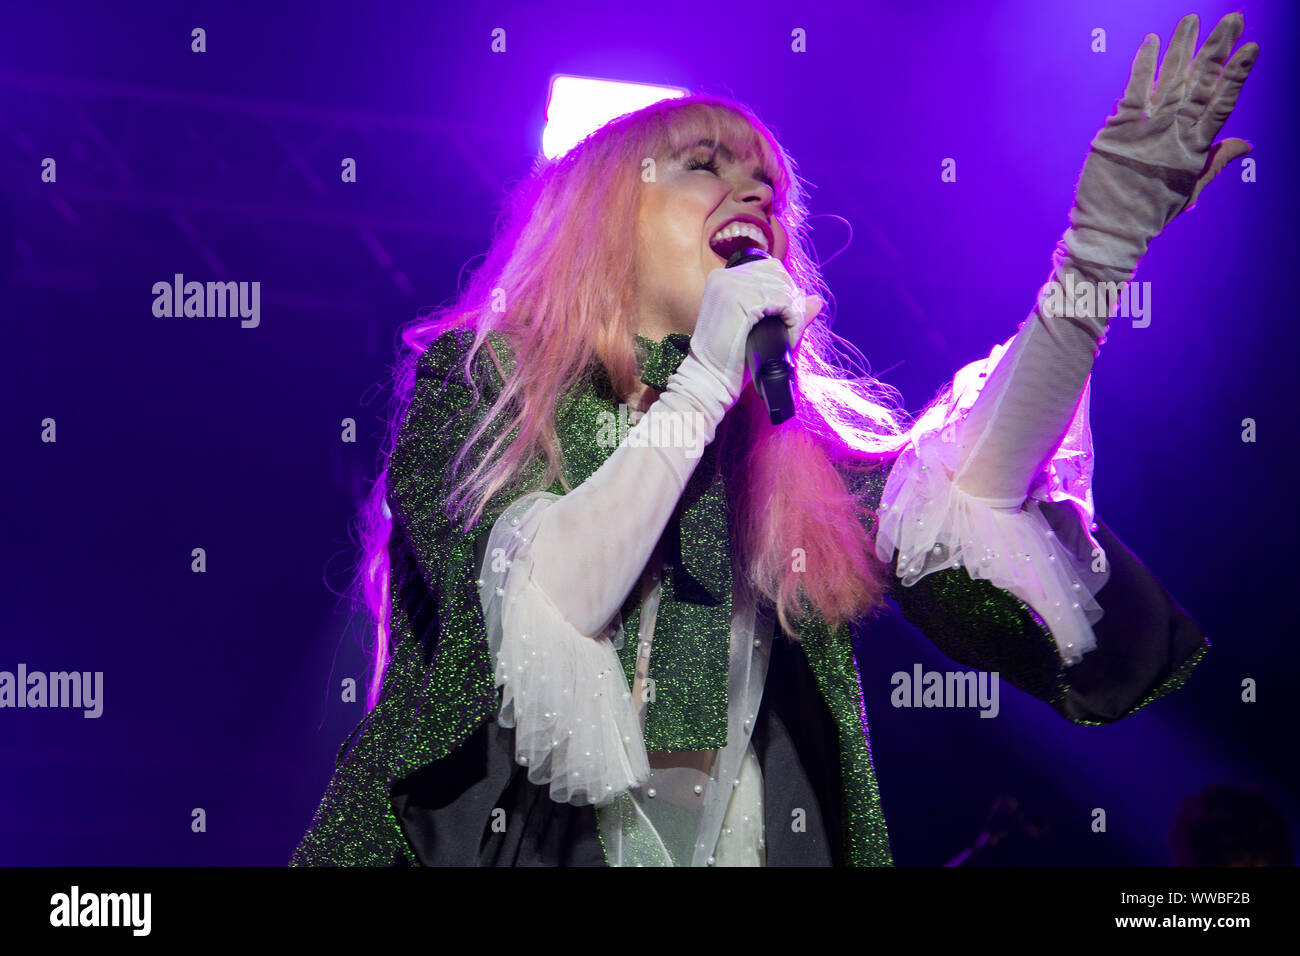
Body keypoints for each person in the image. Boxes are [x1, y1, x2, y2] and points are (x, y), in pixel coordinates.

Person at [290, 11, 1256, 866]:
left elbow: (975, 497)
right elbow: (552, 603)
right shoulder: (485, 384)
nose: (751, 193)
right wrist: (706, 373)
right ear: (598, 221)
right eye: (704, 165)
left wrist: (1095, 256)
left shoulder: (793, 459)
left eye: (767, 186)